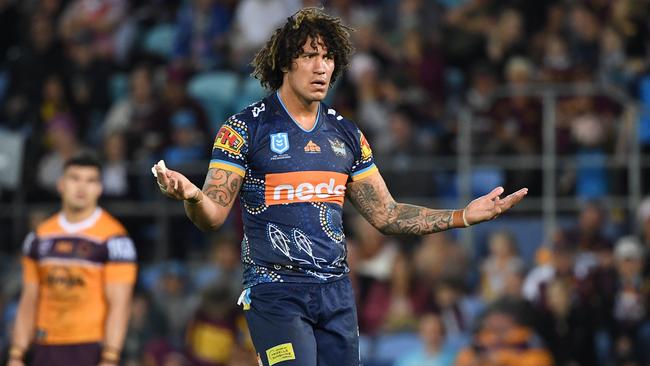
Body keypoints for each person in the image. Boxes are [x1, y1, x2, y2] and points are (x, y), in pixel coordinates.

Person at [153, 7, 527, 366]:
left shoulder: (346, 134)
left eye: (329, 58)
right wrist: (191, 197)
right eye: (310, 56)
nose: (322, 68)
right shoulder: (245, 129)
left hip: (335, 294)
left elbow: (387, 214)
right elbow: (212, 216)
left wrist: (463, 215)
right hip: (276, 292)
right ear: (286, 62)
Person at [9, 155, 137, 366]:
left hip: (90, 345)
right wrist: (16, 353)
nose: (82, 187)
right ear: (61, 184)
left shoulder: (115, 239)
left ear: (99, 188)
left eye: (90, 180)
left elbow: (120, 304)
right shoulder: (39, 237)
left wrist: (111, 356)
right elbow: (29, 298)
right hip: (46, 343)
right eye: (75, 178)